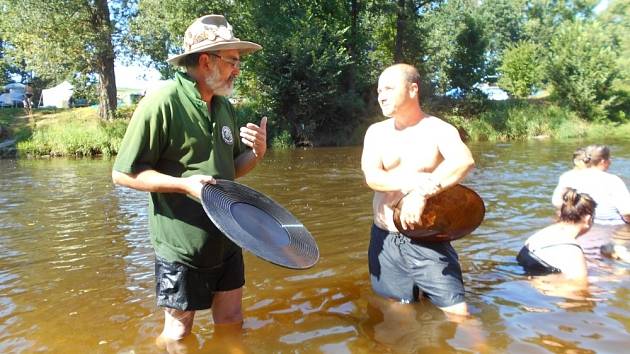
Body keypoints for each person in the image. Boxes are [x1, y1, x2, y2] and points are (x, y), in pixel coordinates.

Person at [111, 14, 267, 346]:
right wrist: (184, 185)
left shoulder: (224, 106)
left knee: (231, 322)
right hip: (182, 246)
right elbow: (123, 174)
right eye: (232, 61)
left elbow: (228, 170)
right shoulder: (163, 100)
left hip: (228, 235)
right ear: (206, 60)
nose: (238, 70)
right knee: (179, 335)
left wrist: (256, 153)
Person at [361, 63, 475, 316]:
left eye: (389, 88)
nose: (381, 95)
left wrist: (422, 193)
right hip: (385, 236)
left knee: (458, 314)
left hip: (427, 237)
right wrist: (412, 184)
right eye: (379, 90)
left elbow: (464, 161)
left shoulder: (439, 130)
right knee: (397, 313)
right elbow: (373, 177)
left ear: (413, 89)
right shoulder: (376, 133)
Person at [518, 188, 596, 280]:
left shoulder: (545, 232)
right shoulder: (571, 249)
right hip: (541, 290)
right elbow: (580, 290)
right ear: (588, 219)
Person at [552, 144, 630, 226]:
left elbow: (557, 202)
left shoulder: (567, 176)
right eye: (609, 158)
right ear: (603, 161)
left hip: (578, 226)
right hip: (611, 229)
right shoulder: (613, 180)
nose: (611, 161)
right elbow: (627, 212)